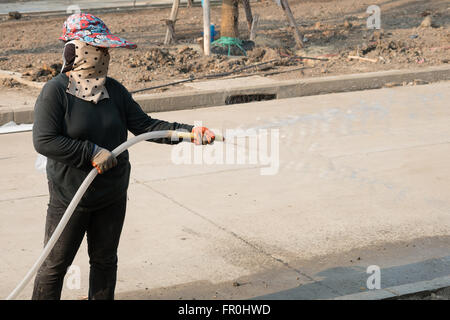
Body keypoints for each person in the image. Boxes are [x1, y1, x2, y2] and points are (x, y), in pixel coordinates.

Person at [31, 13, 215, 300]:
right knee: (55, 265)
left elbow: (145, 126)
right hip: (71, 196)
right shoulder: (55, 92)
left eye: (107, 49)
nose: (106, 54)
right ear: (79, 50)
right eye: (100, 48)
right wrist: (89, 152)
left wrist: (189, 132)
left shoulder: (113, 90)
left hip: (111, 194)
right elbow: (44, 140)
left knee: (105, 261)